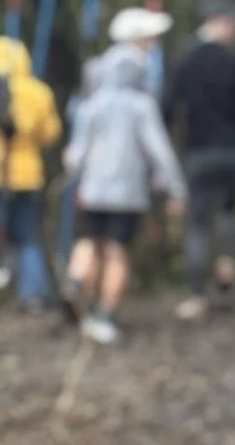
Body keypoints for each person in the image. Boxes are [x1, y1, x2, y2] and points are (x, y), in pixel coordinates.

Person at [64, 38, 184, 343]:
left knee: (90, 242)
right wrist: (175, 187)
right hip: (127, 195)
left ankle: (78, 284)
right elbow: (159, 151)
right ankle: (104, 314)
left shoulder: (90, 106)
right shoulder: (141, 107)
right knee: (117, 252)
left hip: (92, 191)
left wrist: (75, 173)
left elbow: (75, 155)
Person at [163, 0, 235, 320]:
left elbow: (167, 107)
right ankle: (226, 262)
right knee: (229, 209)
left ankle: (197, 295)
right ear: (220, 22)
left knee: (196, 222)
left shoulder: (185, 60)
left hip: (200, 152)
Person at [0, 32, 63, 308]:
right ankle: (33, 293)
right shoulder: (39, 92)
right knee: (27, 236)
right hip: (27, 176)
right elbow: (51, 134)